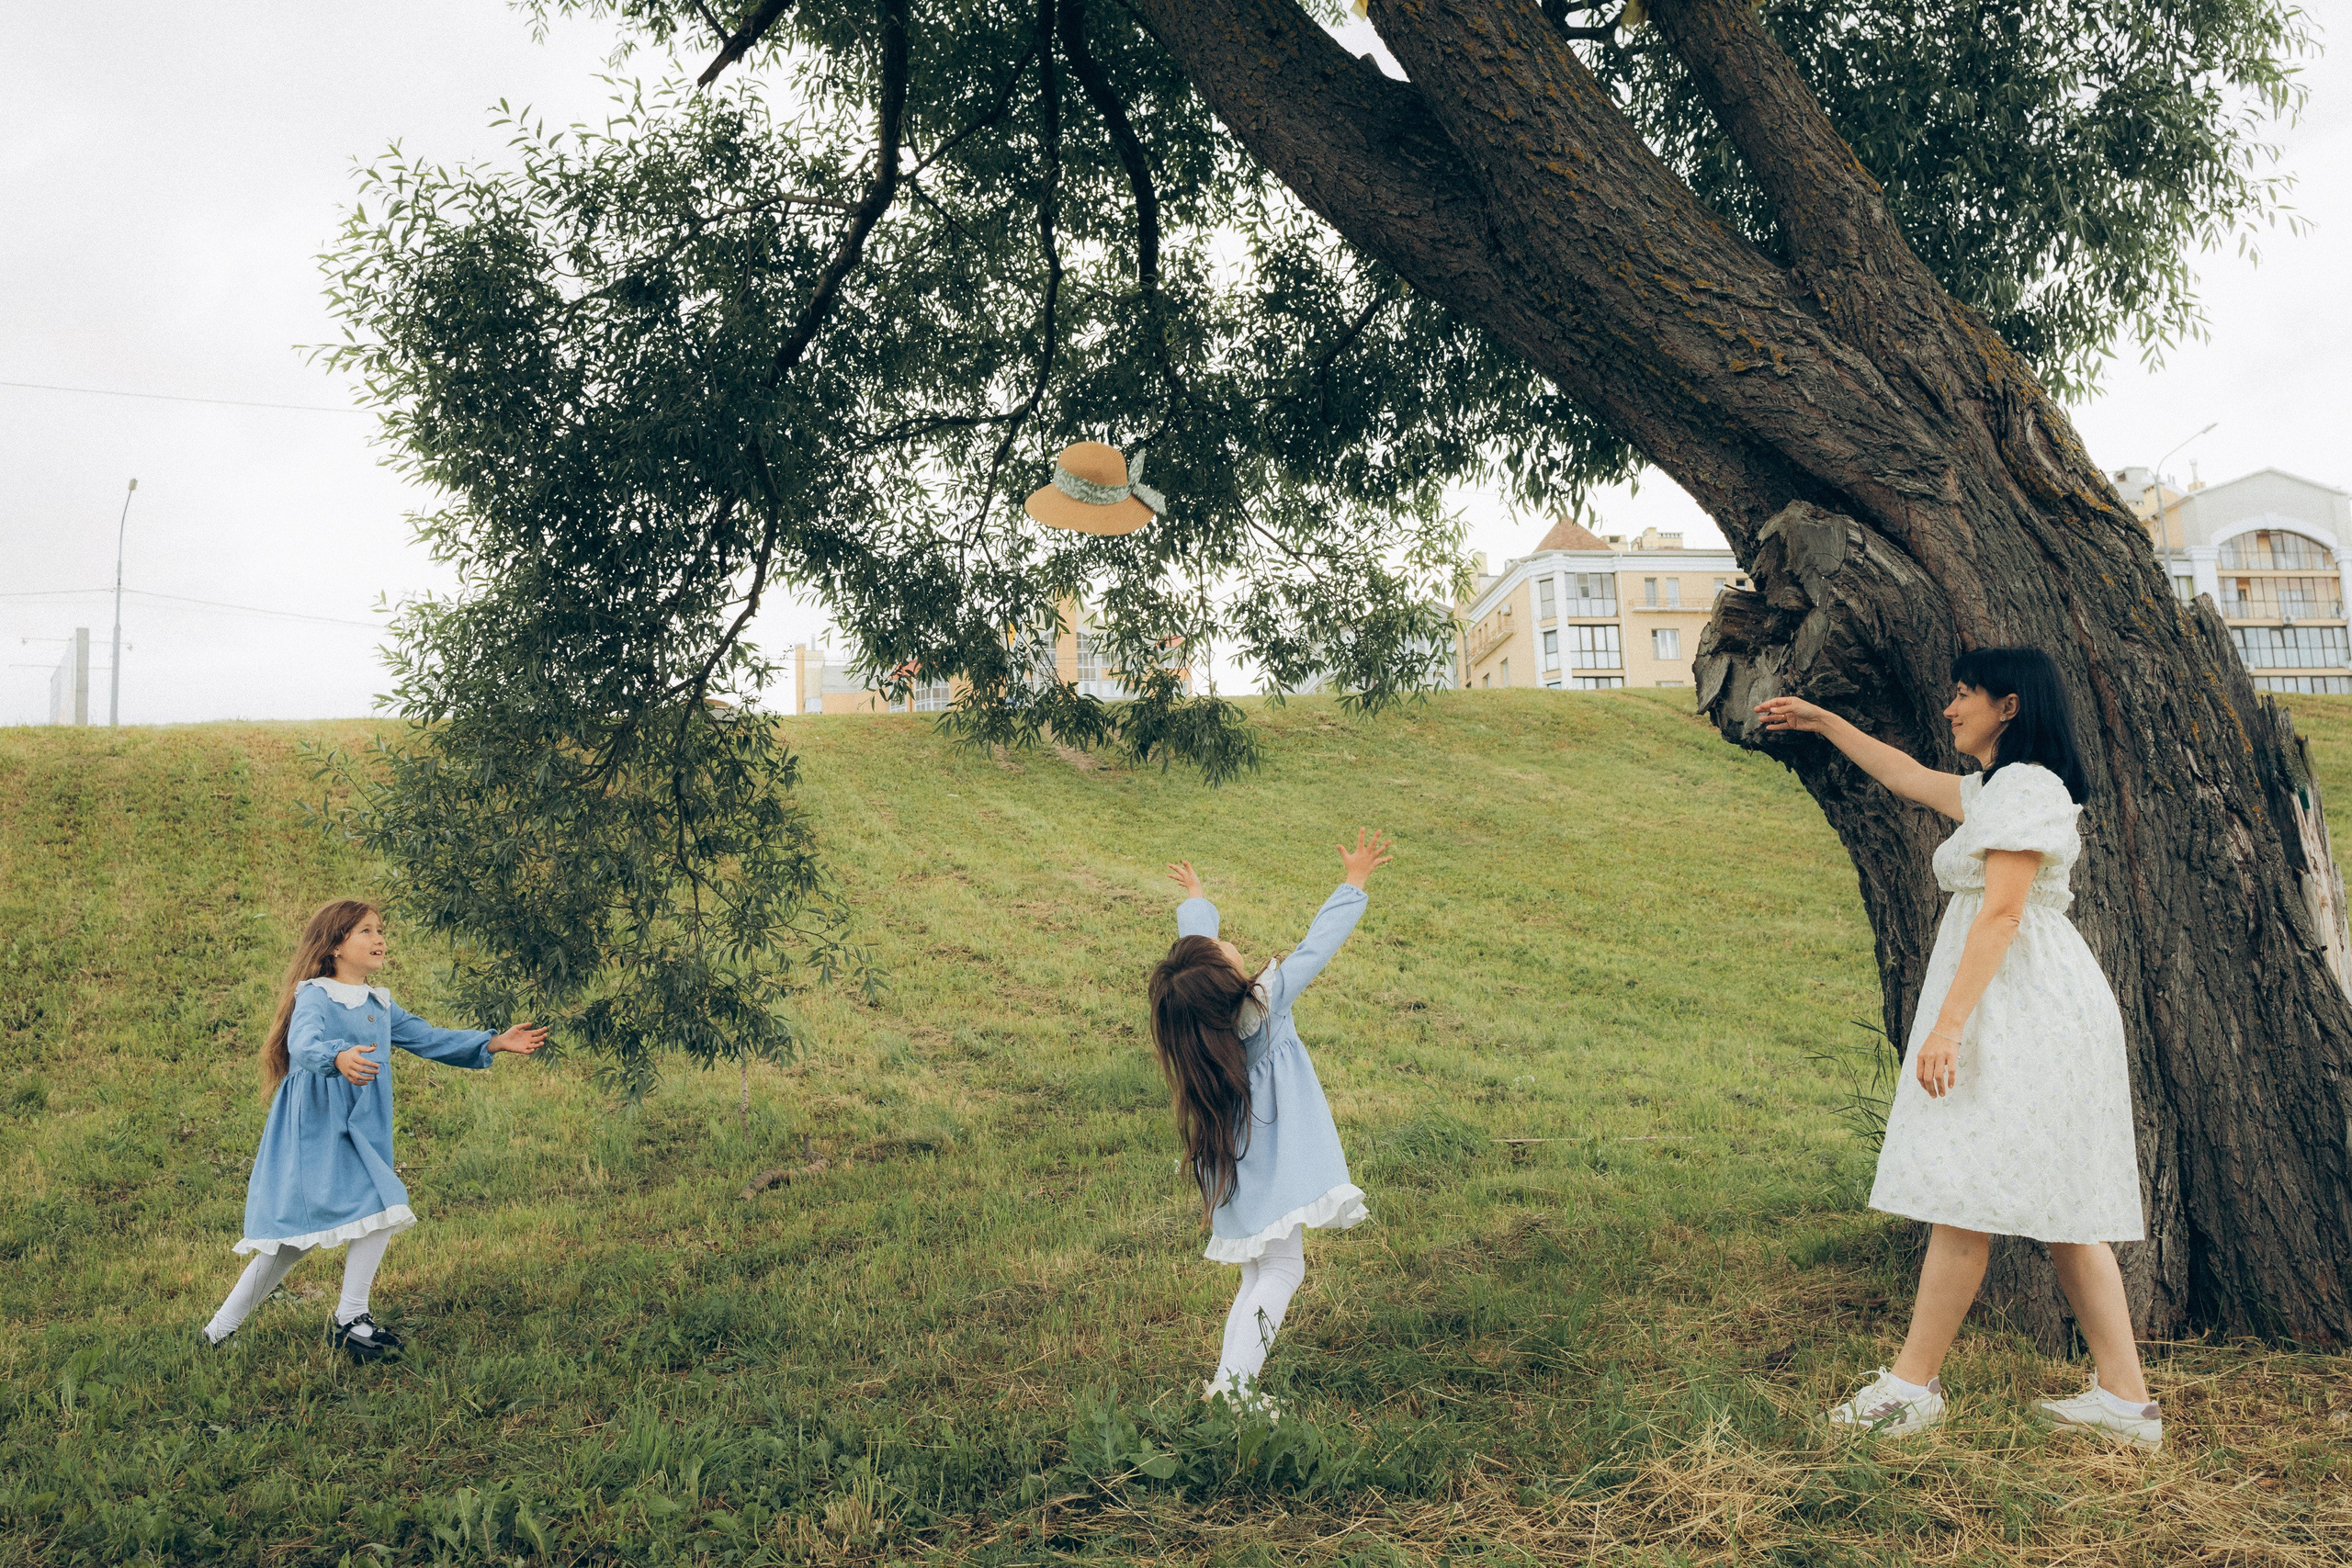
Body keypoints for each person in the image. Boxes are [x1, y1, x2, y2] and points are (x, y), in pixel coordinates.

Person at [1757, 648, 2160, 1450]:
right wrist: (1823, 719)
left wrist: (1947, 1027)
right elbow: (1907, 776)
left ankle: (1911, 1387)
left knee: (1962, 1185)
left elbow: (2003, 915)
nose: (1949, 709)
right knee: (2059, 1205)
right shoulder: (2002, 789)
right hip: (2023, 1002)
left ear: (2008, 706)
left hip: (2022, 1006)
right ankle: (2126, 1401)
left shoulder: (2027, 786)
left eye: (1963, 695)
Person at [202, 900, 547, 1360]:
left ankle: (350, 1320)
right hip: (315, 1128)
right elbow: (301, 1043)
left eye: (380, 930)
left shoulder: (378, 1002)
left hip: (357, 1127)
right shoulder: (315, 994)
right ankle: (218, 1332)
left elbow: (426, 1037)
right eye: (365, 931)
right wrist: (337, 1057)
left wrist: (490, 1042)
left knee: (382, 1204)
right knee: (289, 1243)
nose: (379, 939)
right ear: (336, 945)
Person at [1148, 830, 1390, 1409]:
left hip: (1240, 1166)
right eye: (1224, 945)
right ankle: (1236, 1395)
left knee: (1258, 1274)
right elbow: (1315, 947)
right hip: (1274, 1164)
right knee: (1282, 1272)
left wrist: (1197, 903)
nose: (1231, 944)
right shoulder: (1262, 1002)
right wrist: (1353, 883)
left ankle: (1228, 1384)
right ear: (1228, 977)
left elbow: (1195, 963)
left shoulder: (1204, 1021)